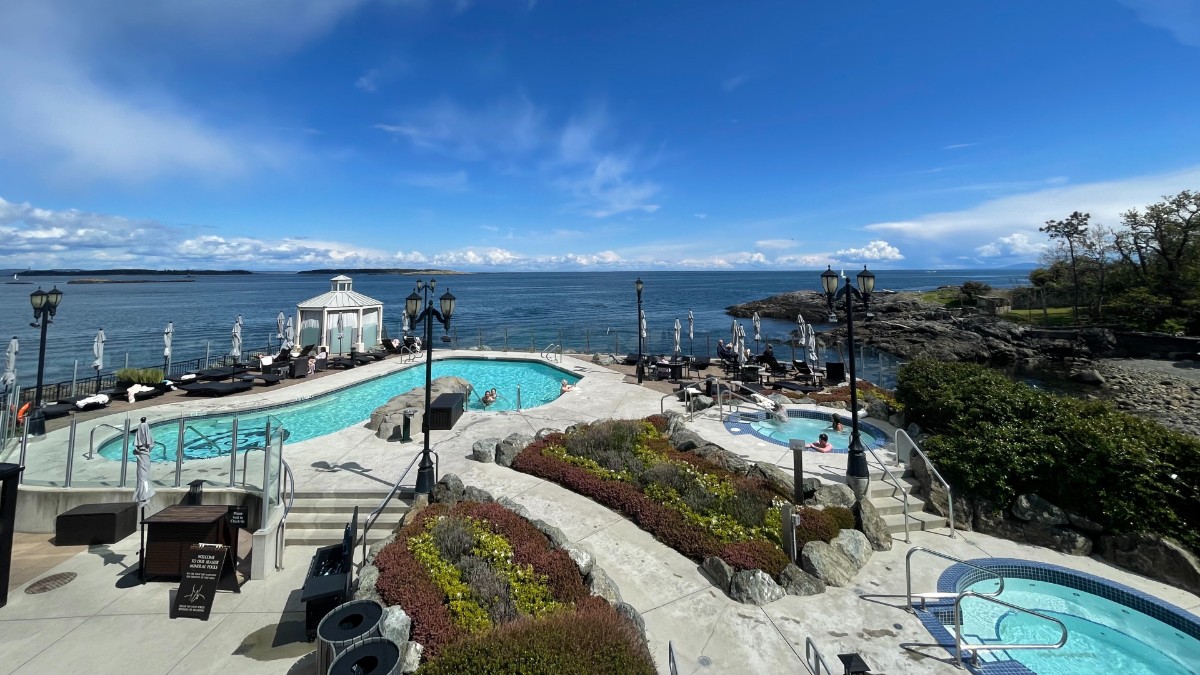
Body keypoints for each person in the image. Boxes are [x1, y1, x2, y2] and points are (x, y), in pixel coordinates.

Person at [134, 417, 156, 506]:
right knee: (143, 477)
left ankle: (144, 496)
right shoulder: (145, 449)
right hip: (144, 458)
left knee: (142, 477)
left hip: (143, 458)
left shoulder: (140, 450)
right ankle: (143, 496)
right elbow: (151, 445)